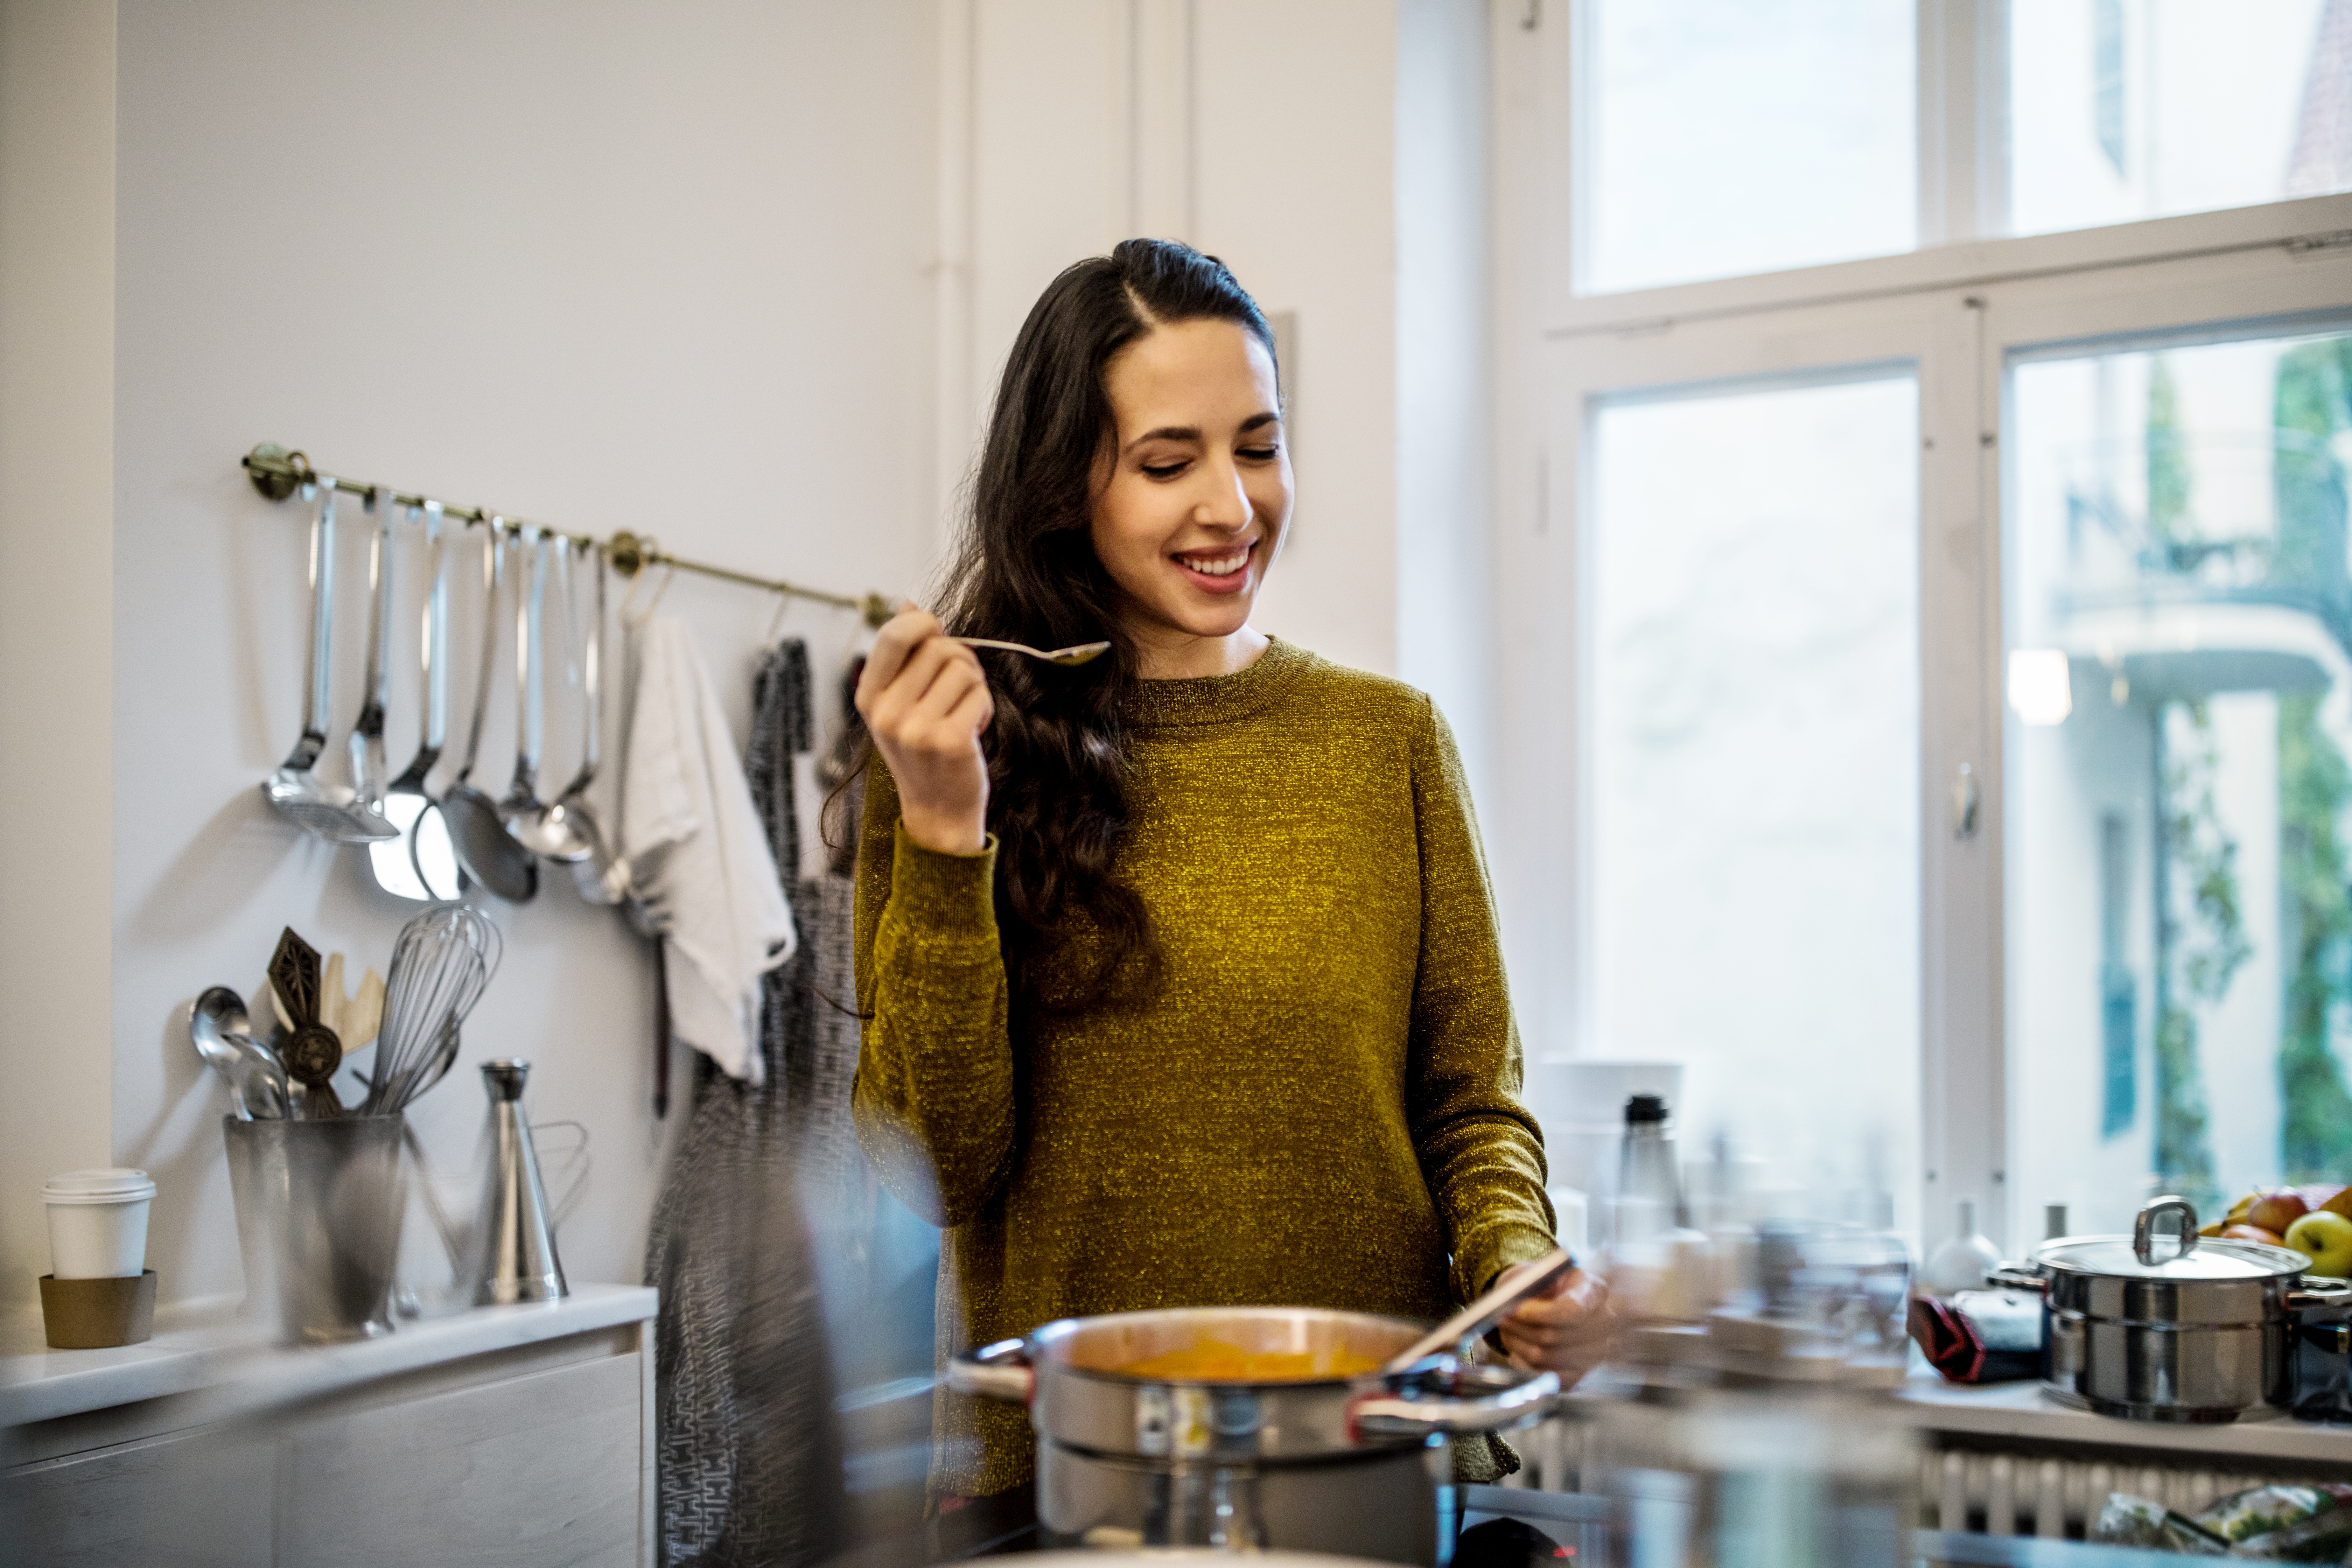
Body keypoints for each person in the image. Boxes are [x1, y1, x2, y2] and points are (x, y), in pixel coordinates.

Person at [846, 238, 1613, 1532]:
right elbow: (936, 1170)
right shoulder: (952, 758)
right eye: (1167, 462)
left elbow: (1470, 1102)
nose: (1232, 505)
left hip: (1373, 1463)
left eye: (1258, 447)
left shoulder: (1391, 744)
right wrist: (941, 831)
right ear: (1062, 486)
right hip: (1068, 1481)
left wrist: (1517, 1263)